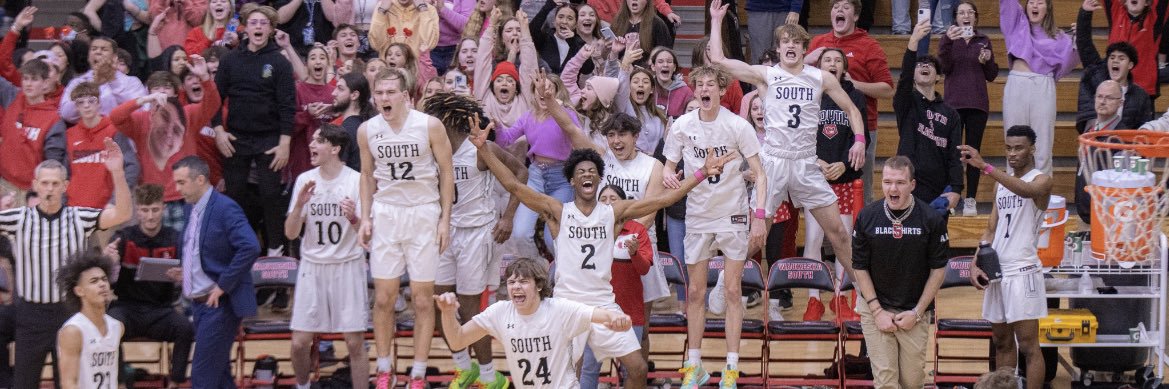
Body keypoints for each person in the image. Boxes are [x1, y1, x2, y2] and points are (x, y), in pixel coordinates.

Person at [472, 99, 736, 389]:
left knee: (637, 368)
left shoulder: (614, 212)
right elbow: (513, 185)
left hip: (603, 302)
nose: (587, 174)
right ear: (572, 181)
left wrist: (701, 173)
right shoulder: (558, 211)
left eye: (592, 171)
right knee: (568, 374)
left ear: (599, 178)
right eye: (581, 172)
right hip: (567, 303)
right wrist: (483, 148)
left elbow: (665, 199)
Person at [709, 2, 864, 323]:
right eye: (785, 42)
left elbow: (852, 109)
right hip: (774, 163)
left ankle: (864, 294)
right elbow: (719, 60)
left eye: (796, 42)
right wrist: (715, 21)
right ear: (778, 48)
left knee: (838, 232)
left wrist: (860, 140)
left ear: (806, 49)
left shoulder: (820, 77)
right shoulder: (766, 76)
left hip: (806, 163)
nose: (791, 46)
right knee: (756, 236)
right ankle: (725, 280)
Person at [660, 64, 766, 388]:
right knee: (695, 292)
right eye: (700, 84)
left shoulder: (738, 126)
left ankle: (730, 368)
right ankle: (695, 366)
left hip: (733, 213)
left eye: (711, 84)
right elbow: (668, 167)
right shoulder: (682, 126)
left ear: (721, 90)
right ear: (694, 90)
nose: (704, 89)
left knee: (733, 290)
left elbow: (761, 174)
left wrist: (759, 216)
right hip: (698, 215)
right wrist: (668, 176)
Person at [0, 140, 132, 389]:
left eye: (55, 183)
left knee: (70, 383)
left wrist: (117, 172)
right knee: (23, 383)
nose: (49, 188)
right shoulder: (18, 219)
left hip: (69, 312)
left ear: (65, 186)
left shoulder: (79, 217)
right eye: (44, 183)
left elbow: (122, 214)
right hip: (30, 314)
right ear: (35, 185)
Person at [356, 67, 455, 389]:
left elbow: (446, 172)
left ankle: (418, 373)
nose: (383, 98)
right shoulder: (367, 130)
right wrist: (365, 217)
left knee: (423, 300)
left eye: (389, 92)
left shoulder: (429, 125)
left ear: (404, 96)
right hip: (386, 213)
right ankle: (385, 369)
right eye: (379, 93)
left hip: (423, 212)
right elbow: (366, 175)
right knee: (384, 298)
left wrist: (445, 220)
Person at [421, 92, 523, 389]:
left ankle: (491, 378)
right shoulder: (431, 150)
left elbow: (521, 172)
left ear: (449, 120)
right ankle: (465, 368)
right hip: (445, 231)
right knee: (438, 305)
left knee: (470, 311)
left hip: (478, 233)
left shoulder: (479, 148)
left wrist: (508, 217)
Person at [436, 258, 633, 389]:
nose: (516, 287)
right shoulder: (500, 312)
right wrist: (447, 313)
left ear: (538, 285)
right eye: (511, 282)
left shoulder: (559, 309)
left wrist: (616, 318)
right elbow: (457, 340)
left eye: (523, 282)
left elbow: (596, 313)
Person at [960, 125, 1052, 389]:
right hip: (998, 271)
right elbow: (991, 229)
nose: (1012, 153)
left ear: (1032, 149)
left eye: (1019, 148)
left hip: (1023, 270)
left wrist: (985, 167)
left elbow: (1026, 190)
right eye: (1008, 148)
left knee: (1029, 345)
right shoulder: (1000, 185)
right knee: (1001, 342)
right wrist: (975, 262)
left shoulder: (1042, 180)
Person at [851, 155, 948, 389]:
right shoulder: (867, 217)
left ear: (912, 185)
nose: (893, 189)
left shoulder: (931, 219)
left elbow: (938, 270)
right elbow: (859, 267)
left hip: (914, 311)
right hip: (875, 309)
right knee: (885, 380)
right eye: (887, 182)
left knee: (912, 382)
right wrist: (877, 311)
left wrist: (917, 312)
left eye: (900, 183)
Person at [284, 125, 369, 389]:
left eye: (318, 141)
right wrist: (299, 205)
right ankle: (303, 386)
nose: (311, 145)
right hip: (313, 266)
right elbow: (290, 233)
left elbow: (368, 237)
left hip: (347, 265)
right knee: (299, 342)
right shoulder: (304, 180)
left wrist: (353, 218)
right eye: (312, 140)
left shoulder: (356, 180)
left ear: (335, 149)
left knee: (354, 343)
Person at [214, 3, 296, 257]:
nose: (258, 27)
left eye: (263, 23)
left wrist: (285, 143)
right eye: (253, 22)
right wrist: (218, 130)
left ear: (271, 29)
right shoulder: (230, 60)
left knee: (271, 195)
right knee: (234, 195)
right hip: (236, 137)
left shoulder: (279, 62)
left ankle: (276, 250)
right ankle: (238, 249)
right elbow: (214, 99)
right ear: (245, 28)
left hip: (270, 137)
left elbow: (287, 105)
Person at [173, 155, 261, 389]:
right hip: (199, 304)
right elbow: (198, 249)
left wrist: (223, 285)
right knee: (220, 377)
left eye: (182, 182)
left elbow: (250, 246)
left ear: (200, 179)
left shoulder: (225, 208)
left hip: (221, 305)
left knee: (202, 377)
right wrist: (186, 271)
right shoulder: (190, 208)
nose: (177, 189)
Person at [103, 183, 194, 386]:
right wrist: (110, 262)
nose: (150, 216)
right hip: (127, 308)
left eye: (155, 209)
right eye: (145, 210)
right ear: (137, 210)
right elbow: (108, 281)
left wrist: (183, 278)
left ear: (163, 208)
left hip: (161, 310)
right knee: (109, 326)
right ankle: (119, 382)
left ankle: (175, 383)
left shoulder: (176, 239)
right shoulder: (123, 238)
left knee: (185, 329)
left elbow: (189, 282)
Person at [807, 0, 894, 204]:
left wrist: (854, 84)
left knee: (860, 189)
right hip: (820, 125)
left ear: (855, 16)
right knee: (819, 189)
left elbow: (888, 89)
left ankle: (861, 224)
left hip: (860, 128)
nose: (839, 10)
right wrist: (806, 61)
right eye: (836, 7)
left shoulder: (869, 45)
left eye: (846, 7)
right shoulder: (818, 43)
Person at [999, 0, 1078, 174]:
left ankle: (1042, 190)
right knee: (1013, 141)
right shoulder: (1016, 23)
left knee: (1043, 144)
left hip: (1043, 86)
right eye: (1031, 2)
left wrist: (1080, 38)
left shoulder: (1059, 37)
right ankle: (1013, 188)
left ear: (1047, 8)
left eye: (1040, 2)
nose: (1034, 6)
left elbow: (1068, 63)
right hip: (1017, 84)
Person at [937, 0, 998, 215]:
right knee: (952, 154)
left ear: (975, 17)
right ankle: (952, 197)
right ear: (955, 18)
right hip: (952, 105)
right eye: (961, 12)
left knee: (972, 152)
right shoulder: (948, 39)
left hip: (977, 104)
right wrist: (947, 40)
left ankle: (971, 199)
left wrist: (987, 60)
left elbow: (992, 75)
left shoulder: (983, 40)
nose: (966, 16)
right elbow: (943, 67)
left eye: (970, 12)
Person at [897, 23, 963, 213]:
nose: (924, 65)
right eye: (919, 65)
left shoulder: (951, 114)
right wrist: (913, 42)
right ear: (913, 75)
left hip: (938, 191)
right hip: (909, 184)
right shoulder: (906, 102)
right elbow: (904, 78)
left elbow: (955, 155)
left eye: (930, 65)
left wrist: (956, 189)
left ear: (938, 77)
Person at [1075, 2, 1152, 134]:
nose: (1115, 61)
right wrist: (1085, 13)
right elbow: (1084, 44)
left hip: (1124, 144)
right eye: (1112, 57)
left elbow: (1144, 131)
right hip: (1094, 139)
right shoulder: (1095, 76)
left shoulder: (1140, 95)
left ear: (1130, 65)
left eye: (1121, 58)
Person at [0, 59, 64, 206]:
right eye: (25, 78)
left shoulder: (53, 119)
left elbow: (53, 163)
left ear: (45, 83)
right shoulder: (13, 97)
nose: (28, 84)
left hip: (31, 193)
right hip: (4, 185)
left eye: (34, 79)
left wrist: (41, 194)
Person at [55, 251, 123, 389]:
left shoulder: (117, 326)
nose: (102, 284)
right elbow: (68, 383)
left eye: (104, 279)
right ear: (79, 291)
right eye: (94, 281)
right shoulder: (73, 331)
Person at [59, 37, 148, 124]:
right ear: (88, 57)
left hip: (120, 131)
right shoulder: (77, 82)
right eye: (94, 49)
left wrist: (112, 81)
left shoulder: (131, 82)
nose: (98, 52)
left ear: (114, 57)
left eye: (104, 49)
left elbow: (138, 111)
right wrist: (94, 85)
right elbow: (66, 115)